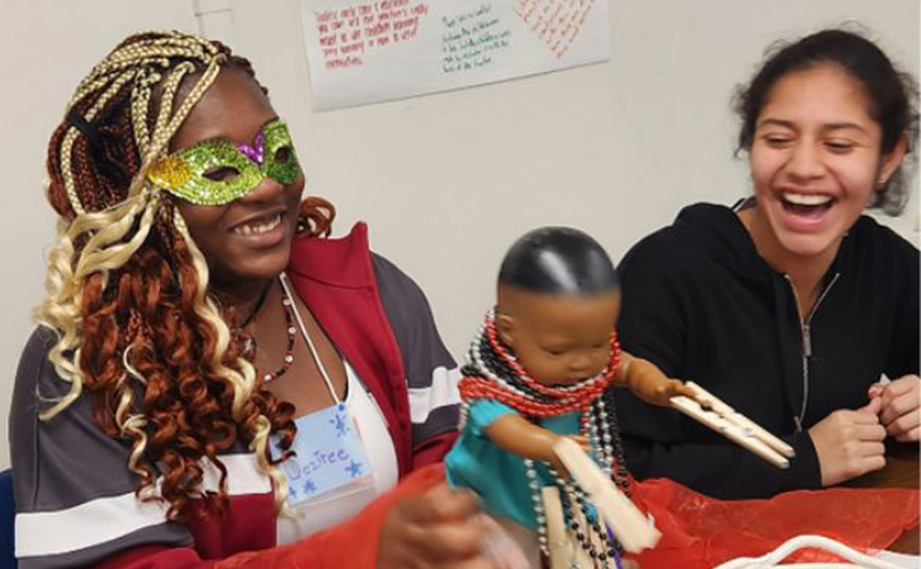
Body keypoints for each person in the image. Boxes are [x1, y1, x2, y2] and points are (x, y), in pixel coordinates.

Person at [9, 30, 503, 569]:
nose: (266, 186)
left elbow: (450, 454)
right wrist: (366, 551)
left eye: (277, 151)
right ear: (138, 194)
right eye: (219, 170)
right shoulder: (85, 365)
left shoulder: (367, 291)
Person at [612, 28, 920, 499]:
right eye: (778, 138)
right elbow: (617, 466)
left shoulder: (884, 265)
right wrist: (801, 461)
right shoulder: (664, 273)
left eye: (838, 145)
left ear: (887, 158)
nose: (803, 166)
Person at [445, 227, 694, 568]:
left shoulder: (593, 365)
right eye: (558, 350)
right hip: (501, 504)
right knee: (507, 559)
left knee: (592, 550)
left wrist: (658, 386)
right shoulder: (489, 386)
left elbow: (627, 367)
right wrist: (552, 446)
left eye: (597, 343)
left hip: (575, 491)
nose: (583, 362)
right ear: (509, 331)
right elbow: (505, 428)